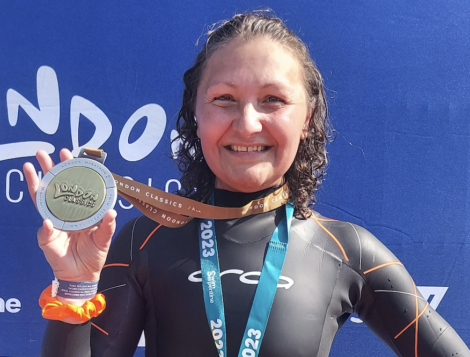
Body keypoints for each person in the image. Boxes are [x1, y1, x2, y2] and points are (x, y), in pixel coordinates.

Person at [23, 11, 469, 357]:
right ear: (195, 115)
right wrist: (76, 284)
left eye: (273, 100)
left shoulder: (348, 250)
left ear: (306, 119)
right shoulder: (144, 239)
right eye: (224, 100)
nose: (247, 123)